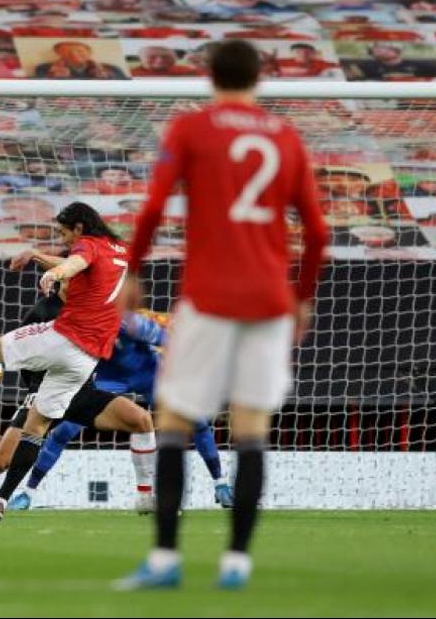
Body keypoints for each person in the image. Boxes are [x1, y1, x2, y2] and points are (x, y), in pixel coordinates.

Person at [116, 40, 328, 590]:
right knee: (252, 429)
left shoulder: (191, 128)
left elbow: (154, 207)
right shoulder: (285, 136)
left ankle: (164, 560)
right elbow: (319, 232)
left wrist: (134, 271)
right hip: (270, 302)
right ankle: (236, 562)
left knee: (173, 422)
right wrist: (302, 297)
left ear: (209, 75)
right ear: (261, 77)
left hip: (208, 299)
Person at [0, 201, 130, 523]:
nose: (65, 240)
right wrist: (38, 257)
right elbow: (81, 262)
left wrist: (55, 272)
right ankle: (1, 500)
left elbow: (75, 262)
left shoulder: (85, 247)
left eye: (64, 233)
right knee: (37, 429)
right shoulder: (119, 251)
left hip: (65, 337)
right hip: (87, 358)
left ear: (79, 228)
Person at [0, 292, 160, 520]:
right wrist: (34, 390)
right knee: (0, 461)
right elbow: (21, 351)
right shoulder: (44, 310)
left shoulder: (93, 307)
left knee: (141, 420)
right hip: (45, 393)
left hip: (82, 392)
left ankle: (145, 496)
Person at [6, 300, 233, 512]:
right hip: (108, 378)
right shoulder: (77, 324)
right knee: (64, 430)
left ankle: (220, 485)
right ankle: (28, 492)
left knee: (196, 421)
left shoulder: (131, 322)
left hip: (147, 374)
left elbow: (169, 340)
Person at [33, 41, 127, 80]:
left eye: (80, 51)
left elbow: (125, 88)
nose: (74, 54)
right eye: (67, 51)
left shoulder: (111, 68)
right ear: (59, 54)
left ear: (89, 53)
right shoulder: (44, 68)